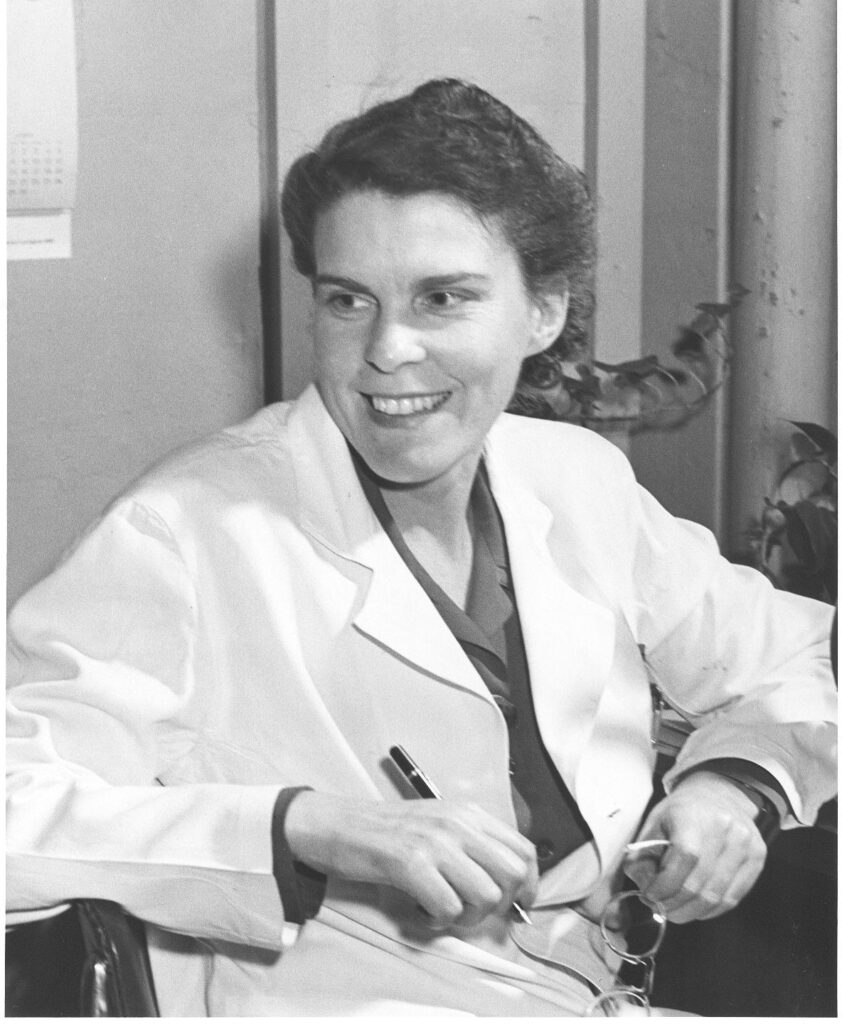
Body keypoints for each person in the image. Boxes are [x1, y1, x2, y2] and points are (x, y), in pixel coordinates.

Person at [6, 79, 835, 1017]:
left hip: (593, 987)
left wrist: (734, 786)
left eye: (443, 298)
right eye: (348, 300)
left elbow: (801, 654)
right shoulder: (185, 528)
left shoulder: (575, 475)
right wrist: (309, 825)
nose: (388, 349)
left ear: (544, 312)